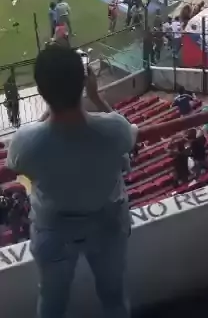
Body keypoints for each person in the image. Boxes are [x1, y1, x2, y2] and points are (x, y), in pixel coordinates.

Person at [6, 46, 135, 318]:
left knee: (52, 303)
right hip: (108, 224)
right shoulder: (114, 129)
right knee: (114, 298)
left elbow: (16, 164)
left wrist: (50, 110)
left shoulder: (25, 142)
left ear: (41, 92)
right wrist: (96, 98)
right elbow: (128, 136)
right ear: (84, 82)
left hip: (53, 230)